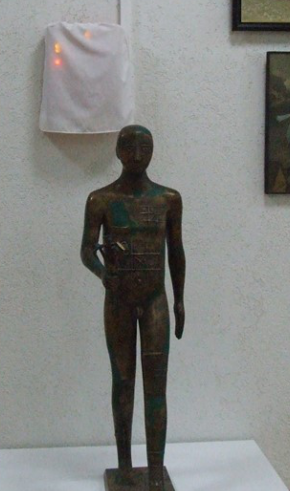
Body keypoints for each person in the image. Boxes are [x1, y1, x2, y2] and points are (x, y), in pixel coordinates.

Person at [82, 125, 186, 491]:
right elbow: (86, 250)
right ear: (118, 151)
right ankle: (125, 466)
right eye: (130, 147)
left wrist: (179, 299)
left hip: (155, 299)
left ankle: (155, 469)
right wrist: (103, 274)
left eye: (145, 147)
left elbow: (176, 251)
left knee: (156, 387)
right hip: (119, 302)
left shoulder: (168, 199)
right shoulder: (101, 200)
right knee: (123, 382)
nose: (138, 154)